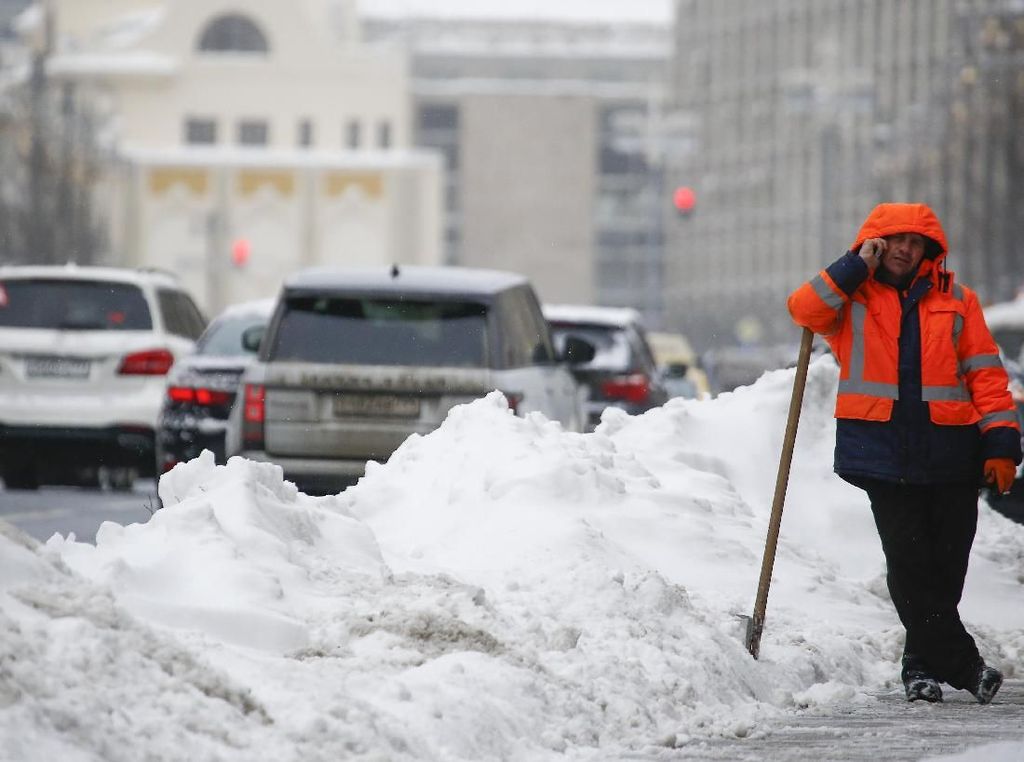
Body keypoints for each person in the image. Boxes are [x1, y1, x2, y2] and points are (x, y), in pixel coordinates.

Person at [787, 202, 1022, 704]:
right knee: (911, 563)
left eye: (916, 243)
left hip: (952, 453)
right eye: (894, 240)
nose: (905, 250)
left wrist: (1002, 442)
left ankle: (919, 664)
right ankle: (963, 665)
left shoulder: (959, 302)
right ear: (876, 242)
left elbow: (986, 376)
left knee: (947, 566)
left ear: (929, 252)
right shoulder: (851, 298)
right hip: (882, 454)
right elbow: (804, 309)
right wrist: (855, 265)